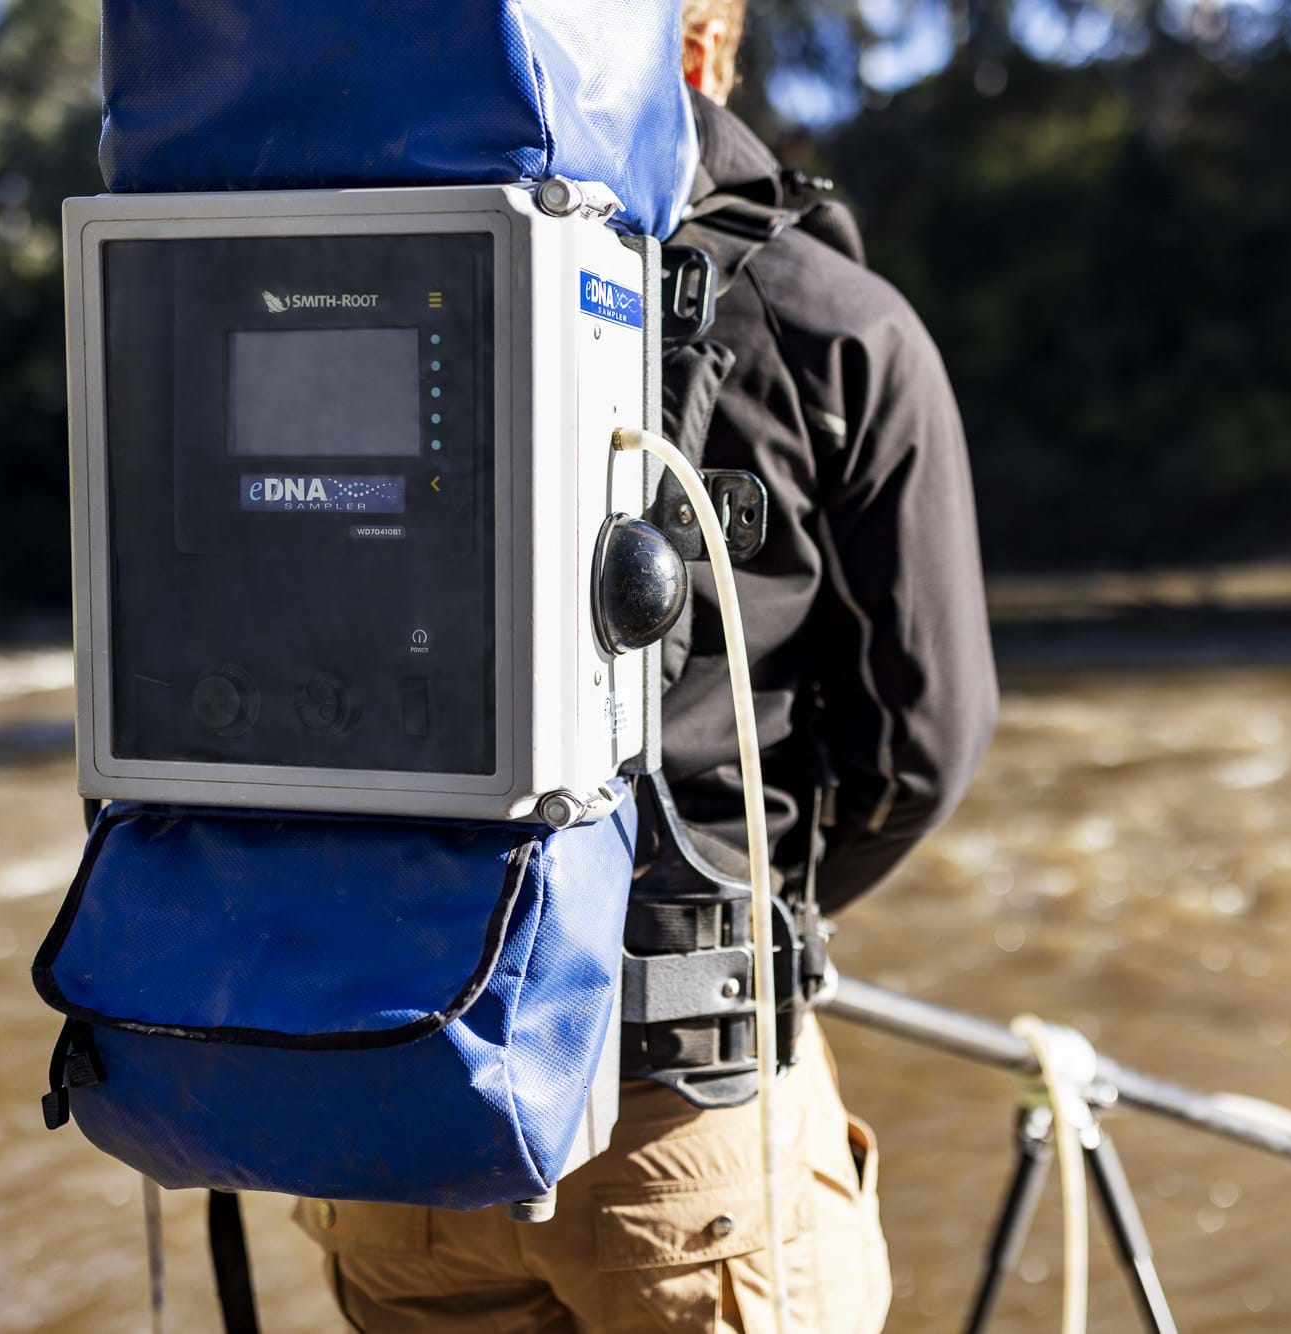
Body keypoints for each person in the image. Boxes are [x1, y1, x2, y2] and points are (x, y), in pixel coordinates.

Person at [294, 3, 997, 1327]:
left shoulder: (347, 273)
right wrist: (753, 917)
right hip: (680, 1132)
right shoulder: (837, 327)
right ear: (704, 42)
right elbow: (920, 750)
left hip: (392, 1110)